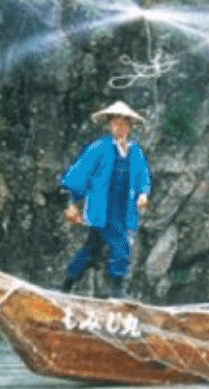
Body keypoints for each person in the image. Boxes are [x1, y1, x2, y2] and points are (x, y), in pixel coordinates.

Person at [58, 100, 152, 299]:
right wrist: (73, 204)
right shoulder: (99, 148)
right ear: (110, 124)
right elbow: (80, 174)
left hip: (123, 208)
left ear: (130, 126)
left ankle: (66, 285)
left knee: (91, 250)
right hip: (103, 208)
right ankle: (117, 295)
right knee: (121, 245)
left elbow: (142, 177)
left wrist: (143, 195)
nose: (120, 127)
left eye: (124, 123)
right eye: (115, 123)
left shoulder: (135, 152)